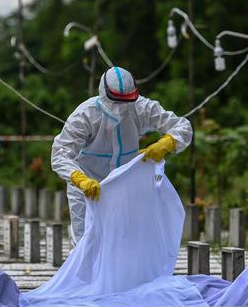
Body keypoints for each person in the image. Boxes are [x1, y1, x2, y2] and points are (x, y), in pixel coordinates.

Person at [51, 66, 193, 246]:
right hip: (87, 188)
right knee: (85, 243)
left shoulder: (141, 108)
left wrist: (168, 143)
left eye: (126, 102)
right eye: (116, 102)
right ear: (104, 94)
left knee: (127, 241)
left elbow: (183, 126)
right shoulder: (85, 115)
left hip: (126, 187)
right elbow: (60, 153)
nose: (121, 108)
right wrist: (78, 178)